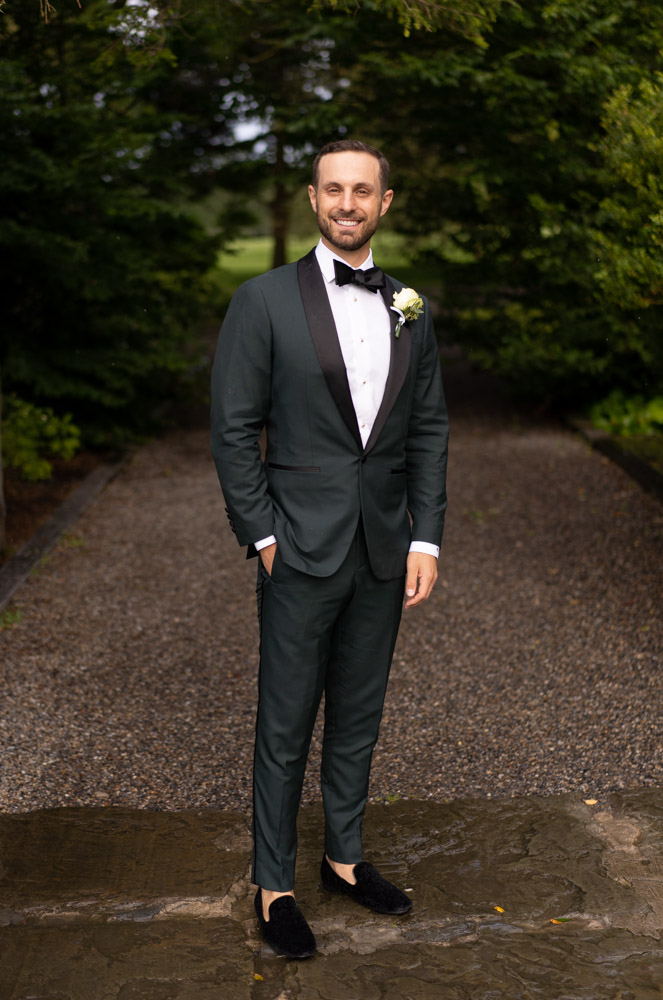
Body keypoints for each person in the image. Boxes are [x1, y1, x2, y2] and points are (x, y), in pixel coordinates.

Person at [210, 139, 449, 958]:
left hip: (384, 548)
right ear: (313, 200)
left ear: (385, 203)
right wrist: (264, 536)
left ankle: (342, 859)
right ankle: (272, 883)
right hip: (298, 550)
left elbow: (427, 428)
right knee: (284, 721)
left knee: (358, 714)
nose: (347, 203)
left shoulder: (409, 304)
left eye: (363, 190)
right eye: (332, 190)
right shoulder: (262, 301)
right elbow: (234, 430)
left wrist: (424, 536)